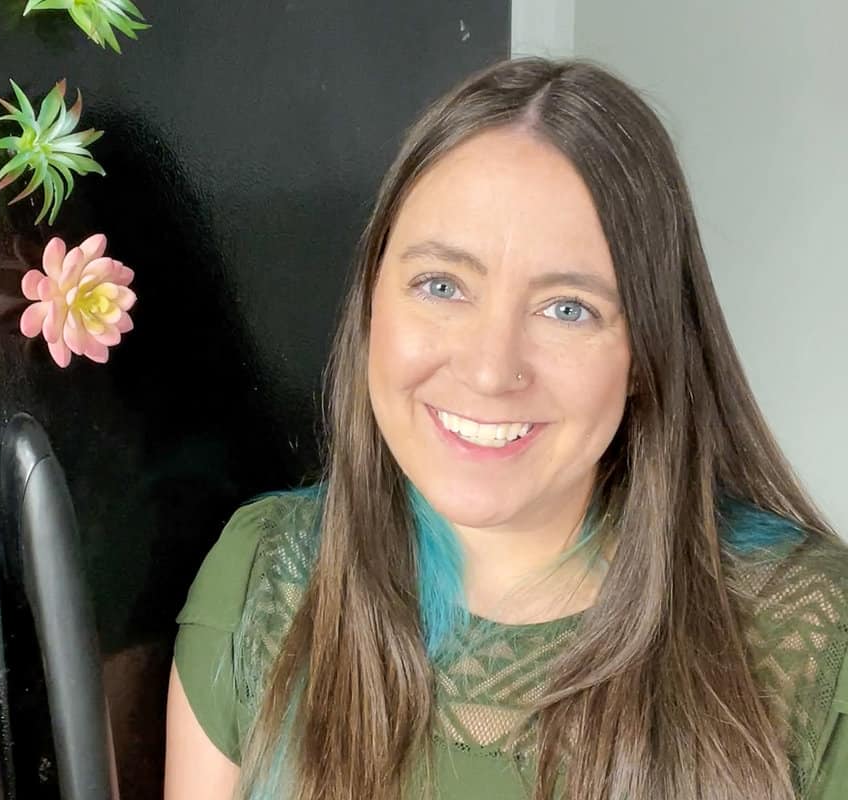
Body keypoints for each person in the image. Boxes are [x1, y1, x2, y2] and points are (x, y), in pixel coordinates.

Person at [162, 57, 848, 800]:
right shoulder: (265, 577)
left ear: (649, 352)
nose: (492, 370)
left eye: (567, 308)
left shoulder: (811, 638)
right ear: (369, 307)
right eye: (441, 286)